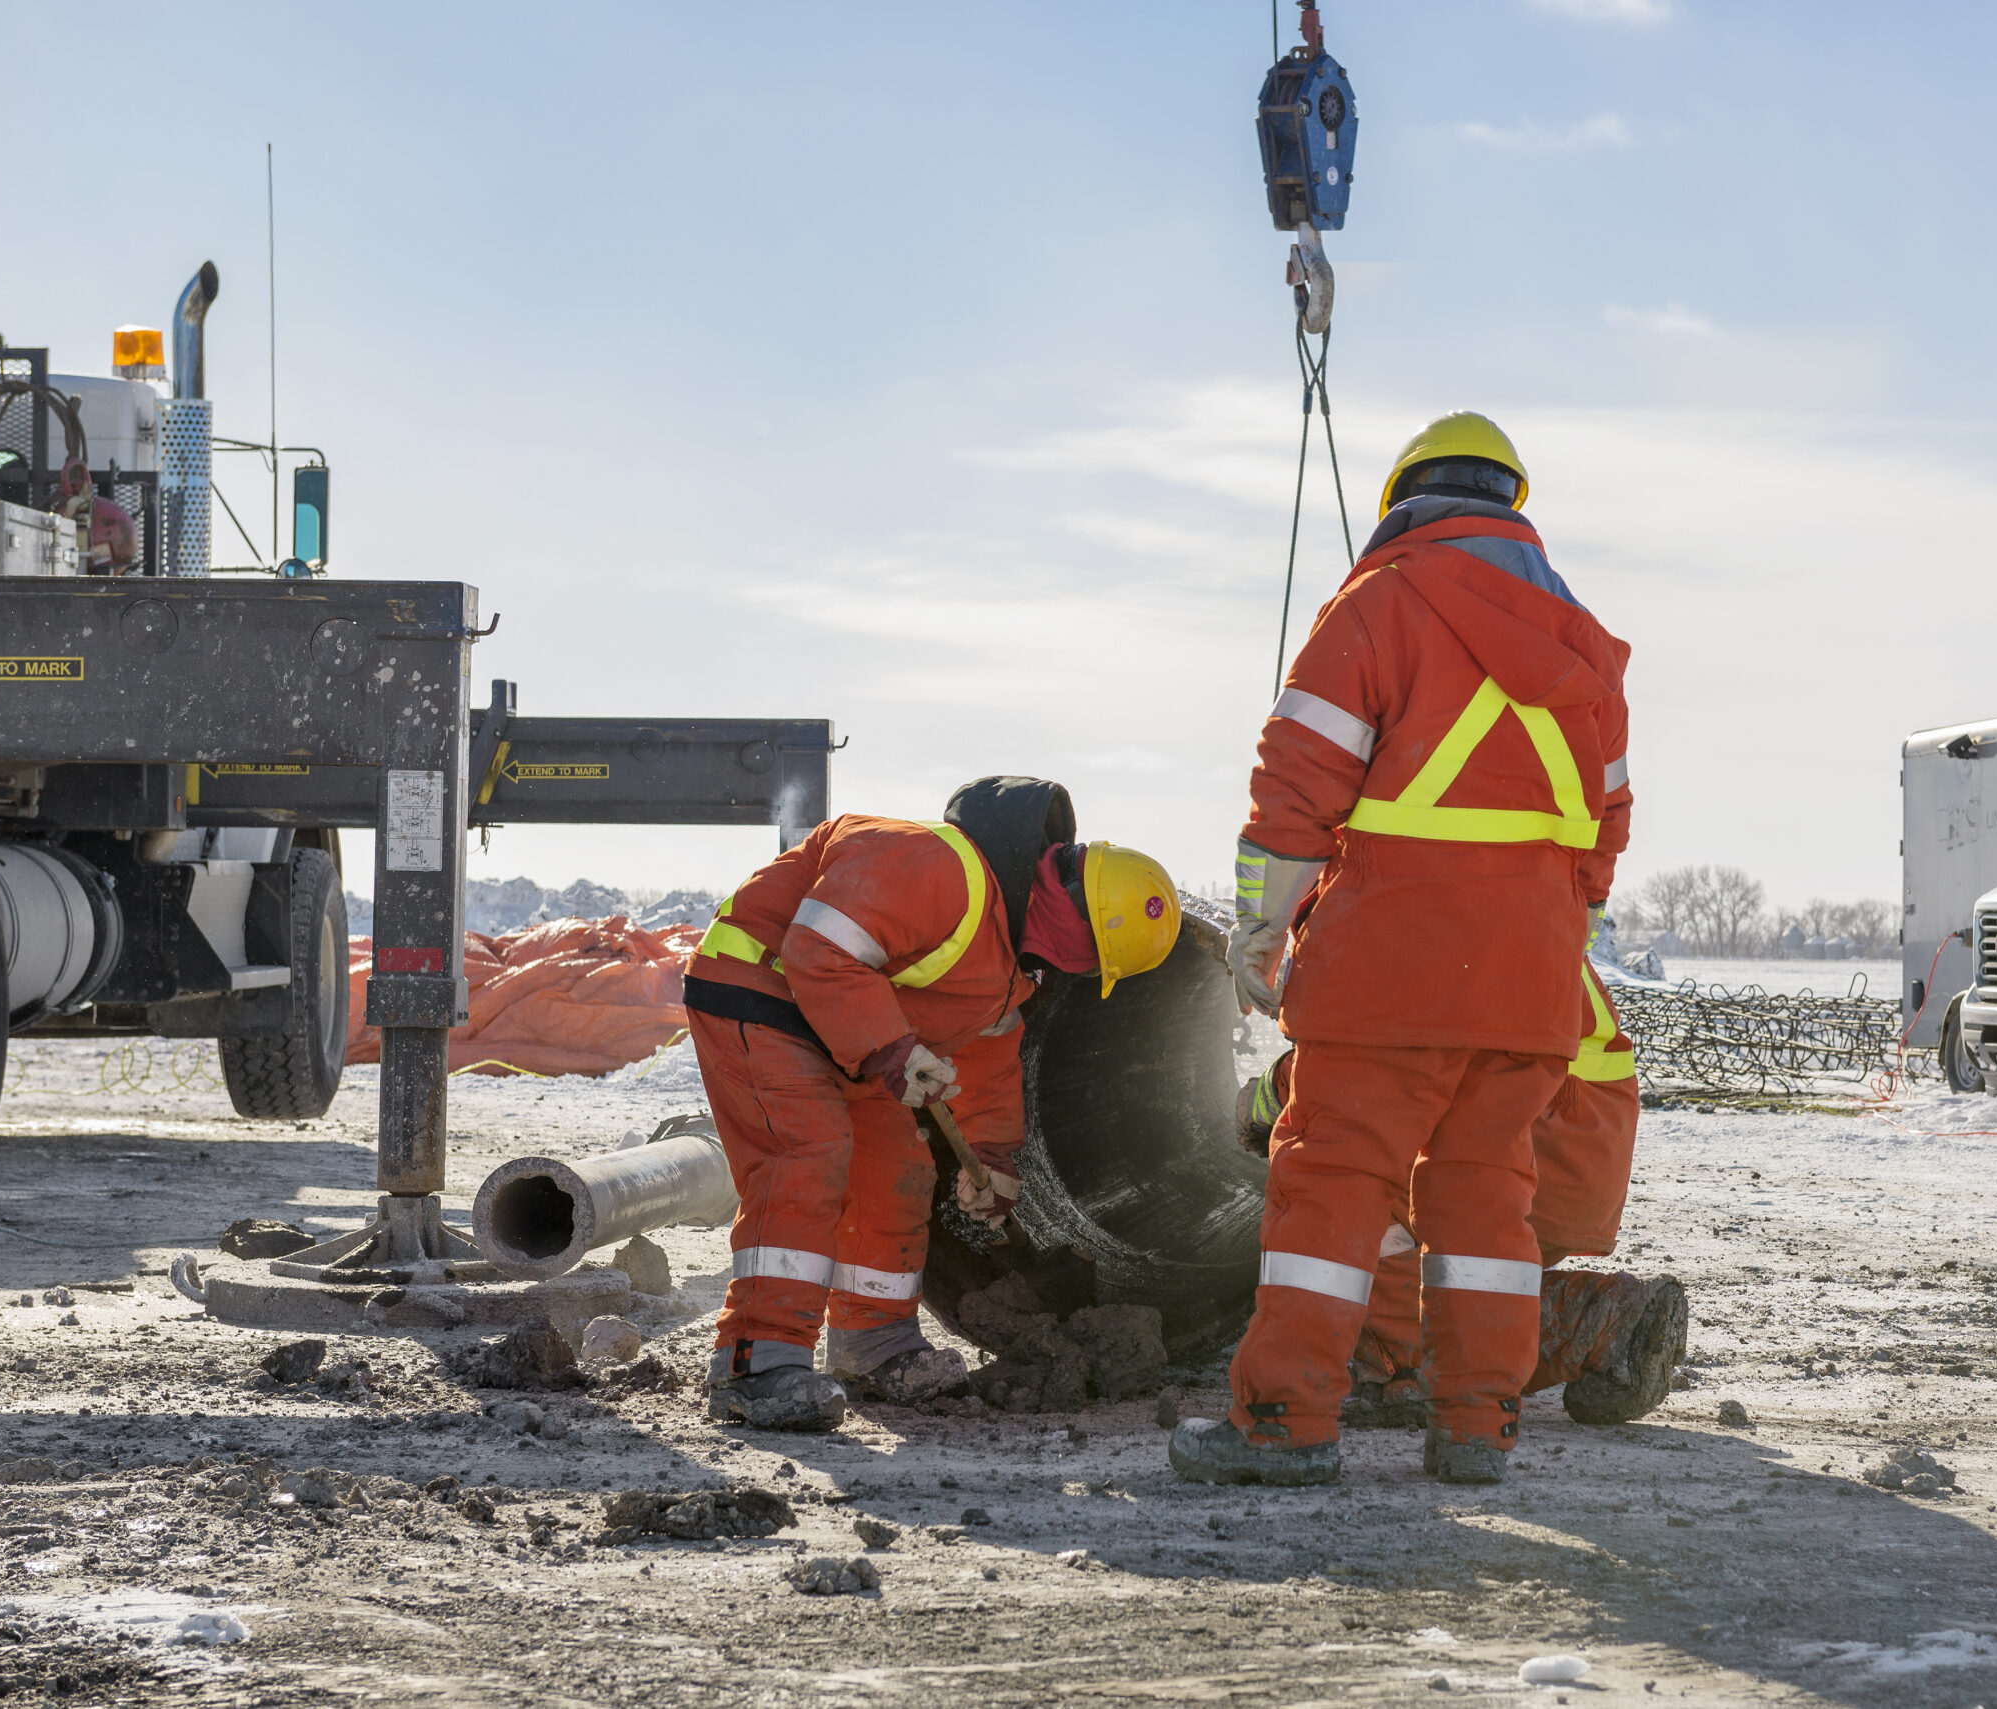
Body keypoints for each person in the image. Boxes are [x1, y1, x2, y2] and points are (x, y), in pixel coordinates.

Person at [1174, 411, 1632, 1487]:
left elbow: (1294, 786)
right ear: (1513, 507)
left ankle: (1283, 1422)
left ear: (1402, 502)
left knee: (1332, 1186)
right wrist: (1551, 943)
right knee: (1485, 1200)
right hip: (1528, 987)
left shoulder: (1378, 603)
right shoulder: (1587, 644)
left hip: (1389, 968)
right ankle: (1475, 1428)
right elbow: (1604, 834)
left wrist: (1262, 929)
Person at [685, 776, 1181, 1430]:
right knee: (808, 1150)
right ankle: (756, 1362)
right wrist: (891, 1048)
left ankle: (873, 1343)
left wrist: (993, 1157)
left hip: (846, 1032)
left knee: (899, 1165)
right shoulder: (939, 868)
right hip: (761, 990)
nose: (1076, 973)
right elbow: (818, 948)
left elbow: (987, 1058)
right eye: (1088, 960)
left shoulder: (1012, 964)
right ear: (1077, 925)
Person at [1235, 957, 1686, 1429]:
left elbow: (1356, 1065)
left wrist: (1266, 1097)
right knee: (1467, 1250)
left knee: (1339, 1188)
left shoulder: (1395, 925)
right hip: (1582, 1145)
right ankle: (1594, 1316)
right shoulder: (1531, 917)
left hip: (1524, 1136)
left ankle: (1429, 1355)